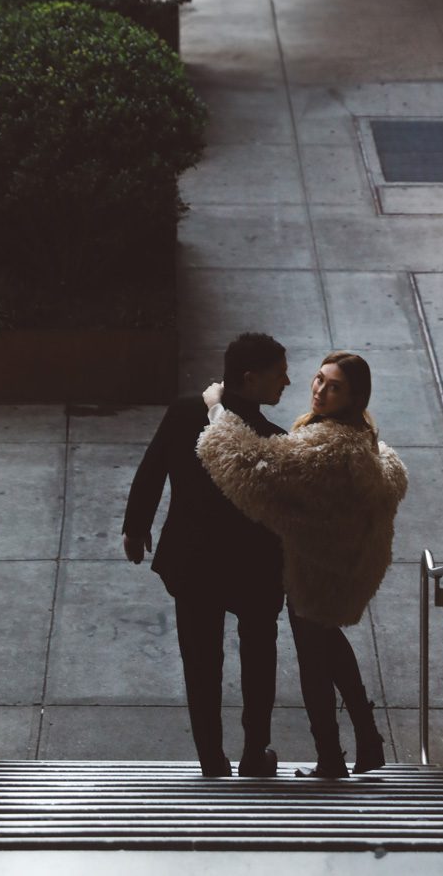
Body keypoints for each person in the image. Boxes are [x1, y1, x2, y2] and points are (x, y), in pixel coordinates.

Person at [197, 352, 408, 778]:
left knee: (315, 660)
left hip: (314, 566)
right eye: (319, 379)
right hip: (332, 563)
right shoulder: (356, 435)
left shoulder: (329, 444)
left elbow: (253, 466)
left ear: (353, 396)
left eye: (335, 387)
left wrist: (216, 409)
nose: (320, 391)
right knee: (328, 648)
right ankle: (366, 742)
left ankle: (332, 757)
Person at [122, 332, 290, 778]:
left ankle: (211, 760)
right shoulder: (271, 439)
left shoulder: (183, 413)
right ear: (250, 380)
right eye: (279, 375)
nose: (287, 382)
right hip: (255, 569)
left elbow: (152, 468)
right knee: (258, 659)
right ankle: (256, 753)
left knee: (200, 663)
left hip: (193, 563)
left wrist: (136, 527)